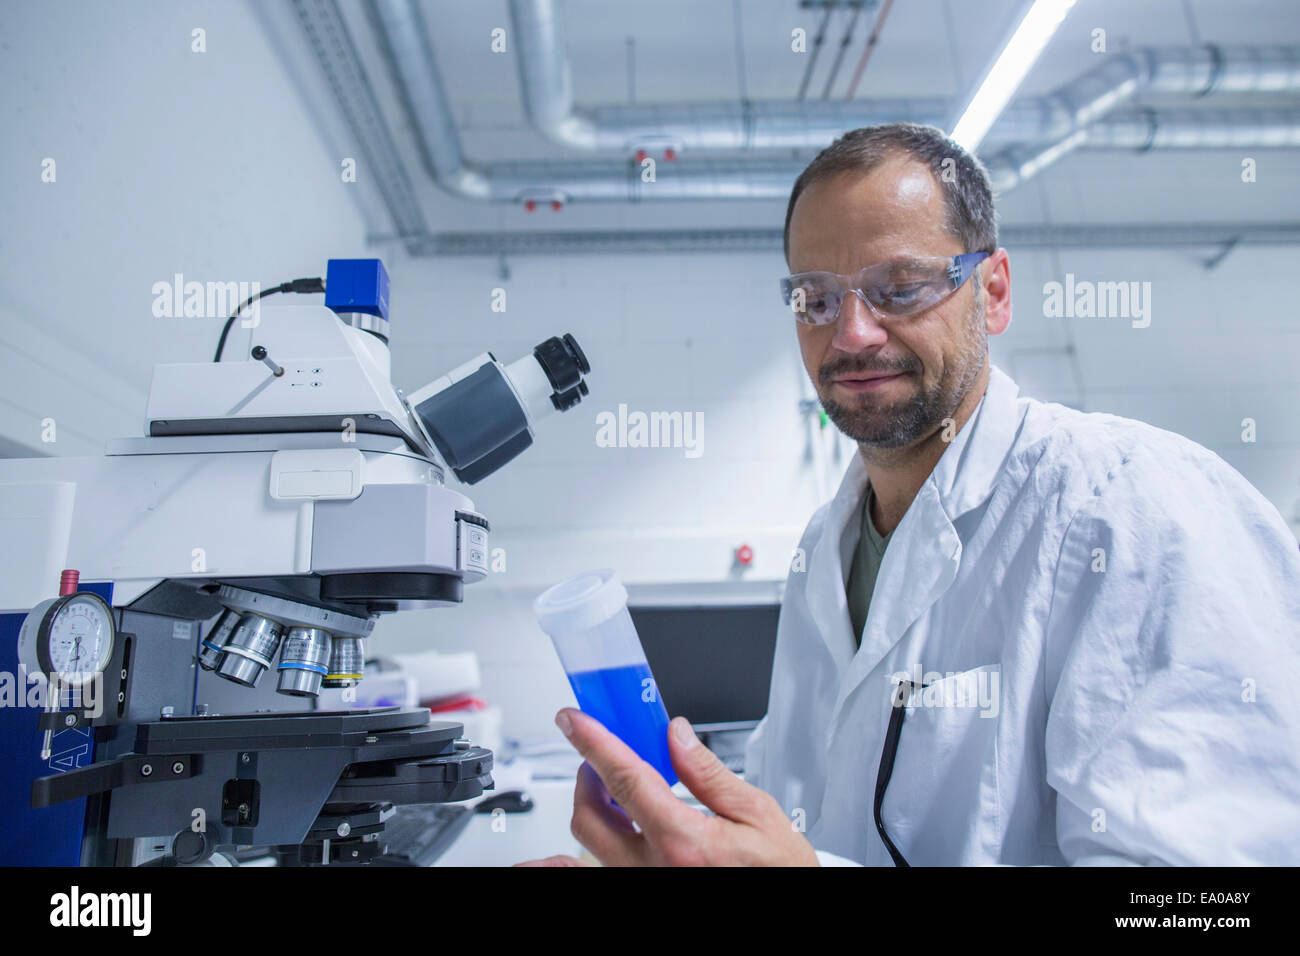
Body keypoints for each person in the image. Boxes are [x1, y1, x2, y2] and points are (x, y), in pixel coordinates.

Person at [519, 123, 1300, 867]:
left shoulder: (1134, 509)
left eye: (900, 288)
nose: (851, 333)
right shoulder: (827, 548)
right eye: (816, 298)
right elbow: (814, 823)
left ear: (992, 291)